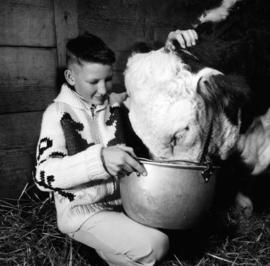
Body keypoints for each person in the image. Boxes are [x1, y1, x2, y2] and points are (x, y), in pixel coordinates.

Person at [34, 31, 198, 266]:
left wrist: (169, 49)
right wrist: (99, 160)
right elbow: (43, 175)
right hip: (81, 211)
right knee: (156, 245)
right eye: (93, 82)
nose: (103, 89)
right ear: (70, 77)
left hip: (123, 206)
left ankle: (106, 252)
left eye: (108, 79)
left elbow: (149, 86)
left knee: (166, 237)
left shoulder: (113, 102)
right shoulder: (57, 113)